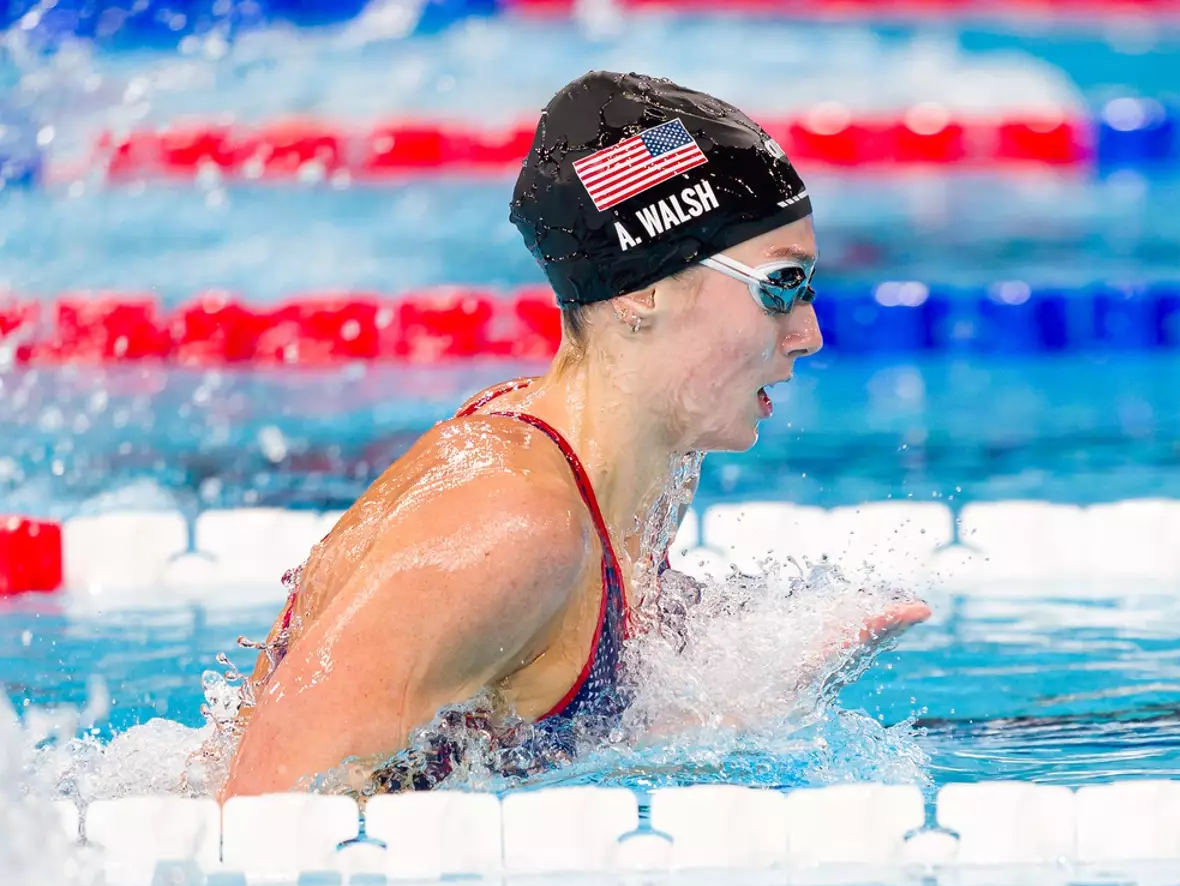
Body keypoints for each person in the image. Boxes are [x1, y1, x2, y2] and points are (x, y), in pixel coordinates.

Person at [218, 71, 930, 799]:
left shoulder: (637, 464)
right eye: (781, 285)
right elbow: (256, 817)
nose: (808, 335)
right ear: (642, 291)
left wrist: (744, 695)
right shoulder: (511, 524)